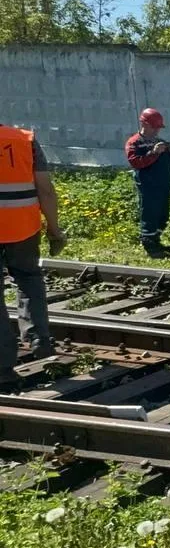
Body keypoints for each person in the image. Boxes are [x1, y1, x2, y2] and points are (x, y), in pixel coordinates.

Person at [0, 123, 65, 390]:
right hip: (23, 226)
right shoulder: (24, 139)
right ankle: (39, 338)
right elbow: (45, 189)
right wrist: (54, 229)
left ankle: (3, 368)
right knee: (28, 277)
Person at [125, 108, 170, 258]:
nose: (157, 130)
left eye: (158, 127)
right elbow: (135, 162)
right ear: (144, 124)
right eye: (154, 126)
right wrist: (153, 152)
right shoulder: (134, 143)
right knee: (150, 214)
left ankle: (156, 241)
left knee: (162, 215)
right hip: (148, 186)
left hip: (164, 184)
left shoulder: (161, 142)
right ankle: (149, 245)